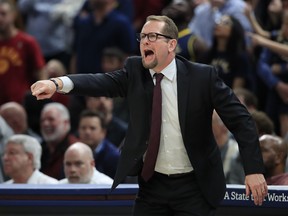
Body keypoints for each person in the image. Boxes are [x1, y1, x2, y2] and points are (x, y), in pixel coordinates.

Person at [31, 15, 267, 215]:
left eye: (152, 36)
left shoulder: (202, 77)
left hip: (194, 185)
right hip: (152, 186)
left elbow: (241, 120)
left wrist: (254, 169)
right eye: (142, 37)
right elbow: (100, 82)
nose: (145, 41)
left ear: (172, 45)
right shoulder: (135, 71)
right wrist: (57, 83)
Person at [0, 0, 46, 105]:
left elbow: (41, 71)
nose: (0, 18)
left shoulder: (27, 42)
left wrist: (40, 100)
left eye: (3, 14)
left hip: (22, 104)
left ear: (13, 15)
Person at [40, 102, 79, 180]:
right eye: (42, 120)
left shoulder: (76, 149)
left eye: (51, 119)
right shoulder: (40, 148)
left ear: (65, 123)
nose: (45, 124)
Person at [78, 110, 120, 179]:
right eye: (83, 128)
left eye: (92, 128)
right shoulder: (73, 153)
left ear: (103, 132)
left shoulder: (114, 158)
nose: (87, 132)